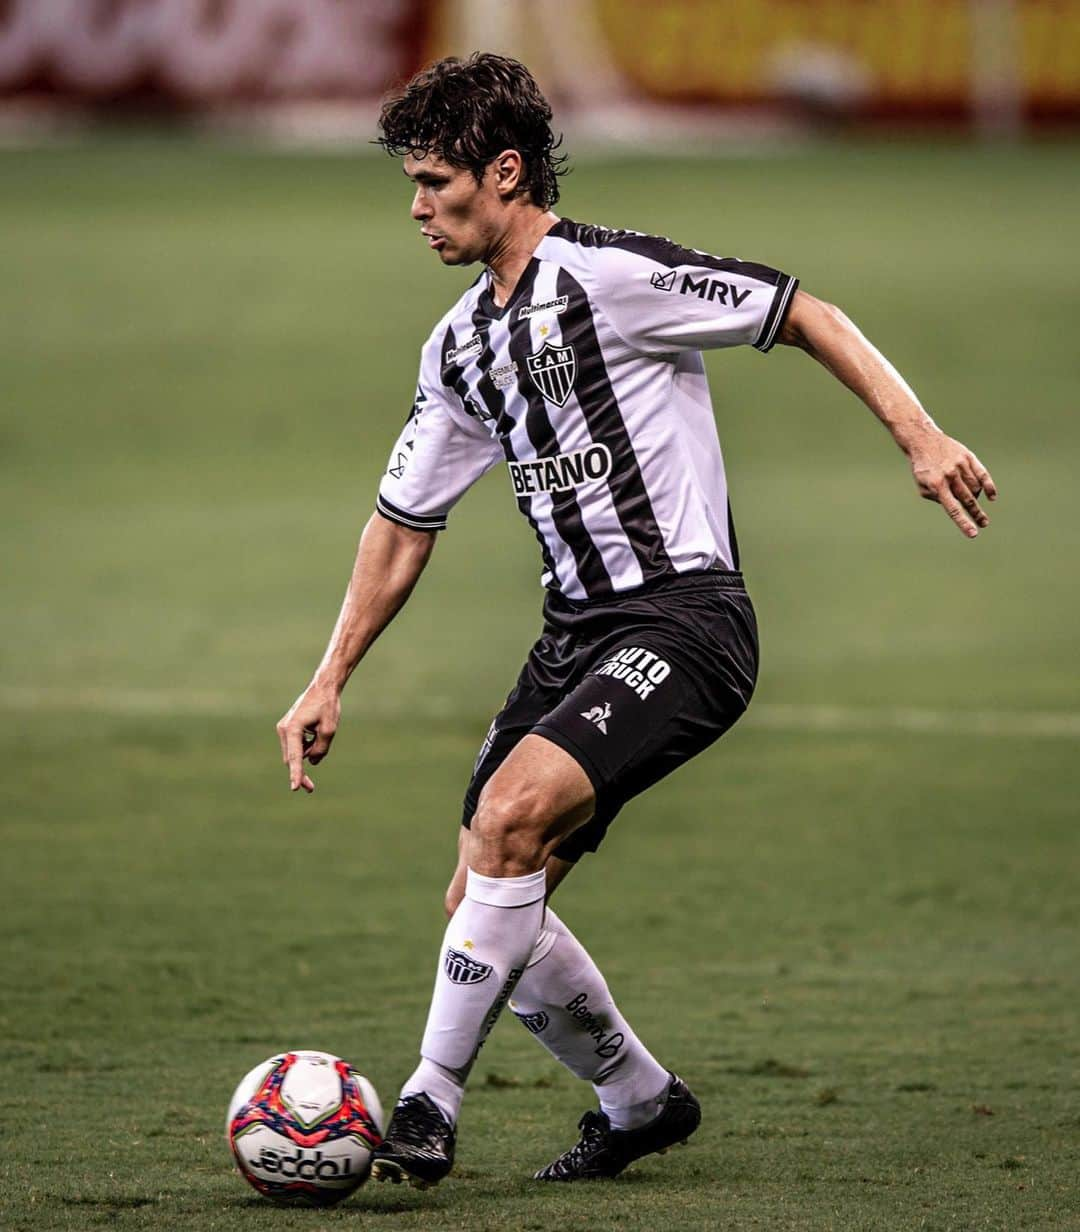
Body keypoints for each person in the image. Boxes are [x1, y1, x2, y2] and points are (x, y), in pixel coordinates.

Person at [276, 53, 996, 1188]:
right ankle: (639, 1098)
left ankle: (424, 1099)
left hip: (687, 622)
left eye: (436, 183)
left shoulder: (613, 276)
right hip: (573, 635)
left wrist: (920, 435)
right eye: (410, 185)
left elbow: (803, 310)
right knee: (483, 899)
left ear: (505, 173)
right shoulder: (462, 347)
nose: (416, 209)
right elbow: (403, 521)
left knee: (509, 816)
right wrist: (329, 677)